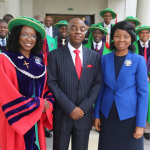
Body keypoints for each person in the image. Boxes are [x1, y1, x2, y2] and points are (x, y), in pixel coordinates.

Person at [47, 18, 102, 150]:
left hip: (84, 116)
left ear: (85, 33)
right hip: (63, 115)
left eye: (82, 29)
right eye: (74, 28)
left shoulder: (94, 56)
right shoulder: (54, 55)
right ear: (67, 30)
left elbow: (98, 82)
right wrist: (70, 108)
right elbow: (52, 83)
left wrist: (82, 108)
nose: (78, 32)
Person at [0, 16, 54, 150]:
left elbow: (45, 88)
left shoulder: (39, 61)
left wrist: (47, 102)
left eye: (33, 36)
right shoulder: (5, 59)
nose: (29, 39)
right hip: (16, 119)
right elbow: (7, 94)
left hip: (36, 119)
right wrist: (37, 105)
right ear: (17, 36)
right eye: (24, 34)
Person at [94, 21, 148, 150]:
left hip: (129, 115)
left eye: (126, 36)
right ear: (112, 38)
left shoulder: (138, 60)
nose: (121, 40)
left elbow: (143, 94)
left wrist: (140, 124)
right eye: (117, 36)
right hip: (107, 114)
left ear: (131, 39)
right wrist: (96, 114)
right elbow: (100, 88)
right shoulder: (104, 59)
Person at [133, 25, 150, 140]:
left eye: (147, 33)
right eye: (142, 33)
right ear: (138, 35)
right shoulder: (133, 46)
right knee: (136, 102)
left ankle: (147, 129)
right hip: (135, 79)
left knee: (148, 104)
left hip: (149, 80)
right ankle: (137, 125)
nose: (144, 35)